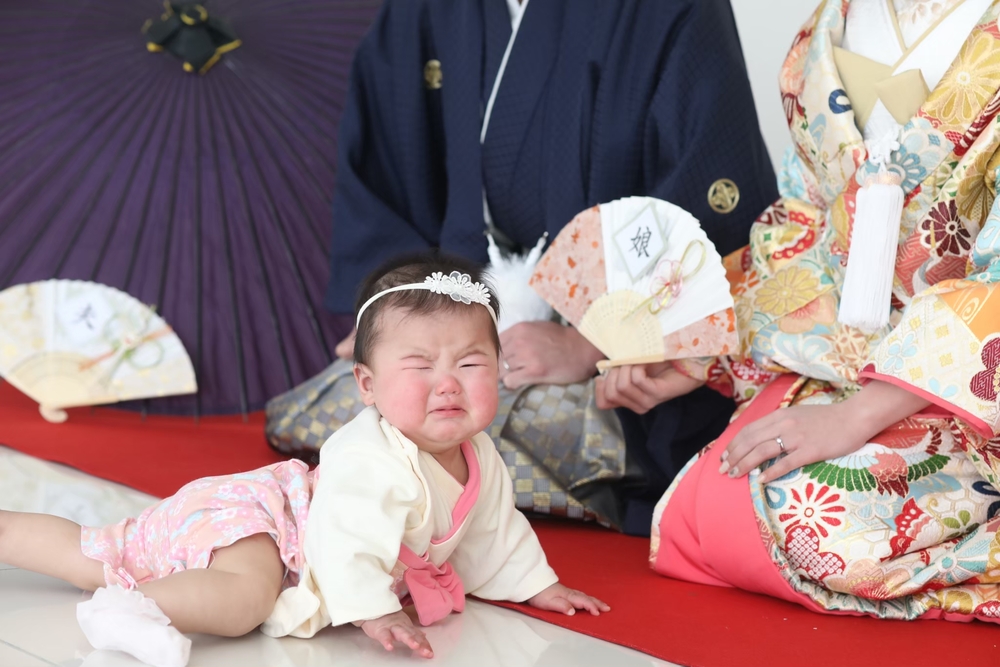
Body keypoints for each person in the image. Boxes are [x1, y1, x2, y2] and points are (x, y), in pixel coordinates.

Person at [267, 0, 779, 535]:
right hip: (456, 319)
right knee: (327, 410)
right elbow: (390, 160)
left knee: (458, 434)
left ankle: (442, 487)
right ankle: (432, 480)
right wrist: (397, 316)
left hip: (602, 368)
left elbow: (714, 191)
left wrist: (593, 344)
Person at [0, 255, 608, 667]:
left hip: (285, 530)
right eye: (420, 366)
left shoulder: (478, 457)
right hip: (273, 522)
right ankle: (133, 610)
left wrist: (538, 585)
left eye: (470, 364)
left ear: (498, 370)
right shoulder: (365, 452)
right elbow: (343, 537)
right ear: (366, 385)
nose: (447, 383)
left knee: (105, 547)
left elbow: (495, 533)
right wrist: (372, 611)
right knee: (236, 600)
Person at [623, 0, 1000, 622]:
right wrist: (712, 345)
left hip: (967, 388)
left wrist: (860, 415)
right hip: (859, 357)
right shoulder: (825, 27)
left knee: (812, 520)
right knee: (721, 492)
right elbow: (807, 228)